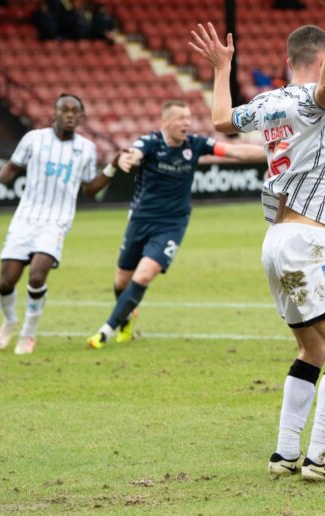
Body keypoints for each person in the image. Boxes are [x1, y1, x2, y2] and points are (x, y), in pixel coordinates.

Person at [189, 0, 325, 483]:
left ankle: (283, 454)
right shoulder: (310, 103)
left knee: (312, 350)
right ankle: (321, 458)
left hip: (274, 241)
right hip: (306, 240)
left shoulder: (270, 102)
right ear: (317, 59)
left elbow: (219, 119)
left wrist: (221, 69)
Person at [86, 100, 267, 349]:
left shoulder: (195, 144)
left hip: (172, 224)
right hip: (140, 219)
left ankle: (105, 331)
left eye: (188, 118)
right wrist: (127, 159)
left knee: (144, 274)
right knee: (121, 281)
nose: (186, 123)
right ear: (166, 121)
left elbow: (236, 152)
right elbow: (134, 152)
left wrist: (276, 152)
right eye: (181, 118)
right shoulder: (150, 143)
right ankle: (126, 318)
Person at [0, 94, 118, 355]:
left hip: (56, 222)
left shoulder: (87, 149)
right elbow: (12, 167)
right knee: (5, 282)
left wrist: (112, 168)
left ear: (81, 117)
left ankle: (28, 333)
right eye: (64, 109)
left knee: (36, 276)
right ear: (54, 113)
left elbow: (90, 189)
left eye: (74, 111)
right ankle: (10, 320)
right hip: (25, 219)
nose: (69, 114)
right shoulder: (34, 139)